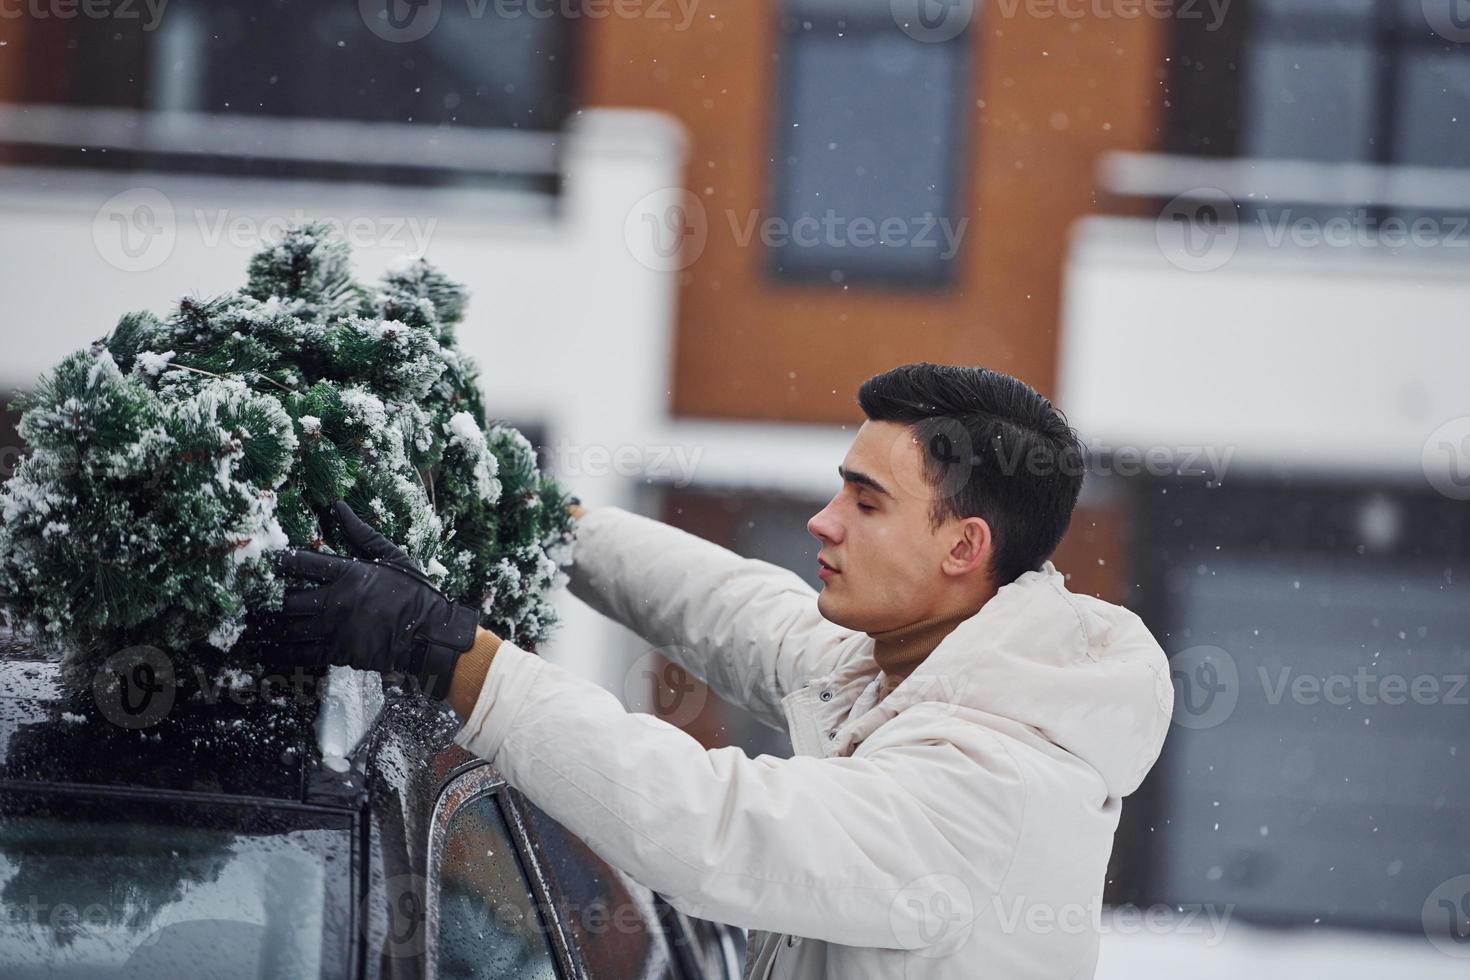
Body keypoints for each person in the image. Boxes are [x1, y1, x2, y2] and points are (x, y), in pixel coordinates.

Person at [249, 362, 1173, 979]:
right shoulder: (910, 664)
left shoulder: (990, 788)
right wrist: (533, 519)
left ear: (963, 546)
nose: (823, 521)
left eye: (866, 501)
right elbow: (732, 609)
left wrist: (451, 655)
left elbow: (712, 829)